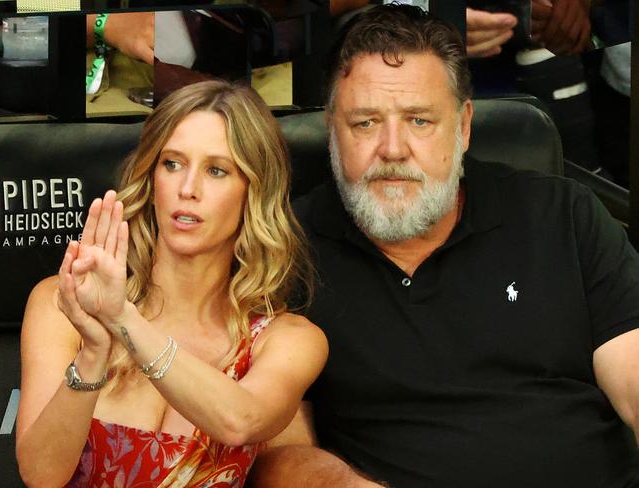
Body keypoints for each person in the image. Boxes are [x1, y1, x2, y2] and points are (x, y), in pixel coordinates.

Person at [248, 4, 639, 487]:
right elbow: (276, 454)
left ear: (464, 126)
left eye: (419, 121)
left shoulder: (561, 216)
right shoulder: (285, 246)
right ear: (332, 128)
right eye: (365, 123)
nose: (392, 149)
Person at [15, 80, 328, 487]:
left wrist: (122, 320)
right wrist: (93, 351)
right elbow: (40, 476)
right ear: (152, 176)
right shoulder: (61, 303)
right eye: (173, 163)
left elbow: (240, 421)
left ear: (254, 191)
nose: (187, 189)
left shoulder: (286, 340)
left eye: (216, 170)